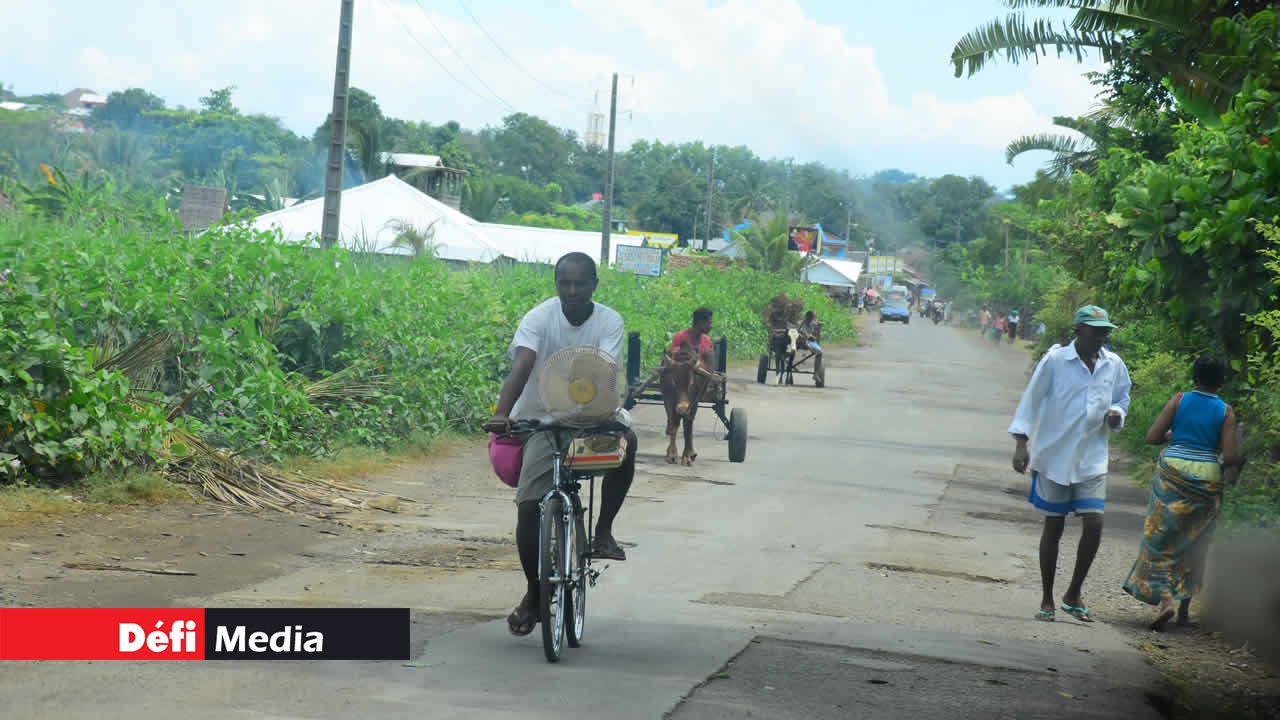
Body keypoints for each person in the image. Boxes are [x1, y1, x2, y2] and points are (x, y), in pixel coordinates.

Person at [485, 252, 638, 637]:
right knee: (528, 507)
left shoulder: (609, 321)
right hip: (540, 421)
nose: (571, 291)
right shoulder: (539, 317)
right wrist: (503, 414)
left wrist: (587, 410)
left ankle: (603, 530)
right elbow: (523, 364)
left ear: (593, 285)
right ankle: (535, 592)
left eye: (580, 283)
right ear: (556, 284)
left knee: (628, 442)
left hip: (592, 416)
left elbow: (600, 368)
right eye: (564, 283)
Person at [1009, 305, 1132, 623]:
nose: (1102, 336)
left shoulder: (1113, 364)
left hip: (1092, 456)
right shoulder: (1055, 361)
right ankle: (1047, 597)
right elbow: (1032, 400)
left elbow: (1122, 397)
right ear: (1079, 330)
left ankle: (1073, 592)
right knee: (1055, 525)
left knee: (1094, 523)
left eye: (1105, 331)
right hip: (1054, 456)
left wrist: (1117, 414)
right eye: (1096, 330)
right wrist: (1021, 443)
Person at [1122, 355, 1243, 630]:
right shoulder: (1226, 412)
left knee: (1161, 537)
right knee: (1196, 541)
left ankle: (1166, 601)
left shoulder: (1179, 400)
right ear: (1222, 381)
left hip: (1172, 473)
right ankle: (1185, 612)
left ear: (1194, 377)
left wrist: (1172, 437)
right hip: (1207, 477)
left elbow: (1152, 437)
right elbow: (1229, 455)